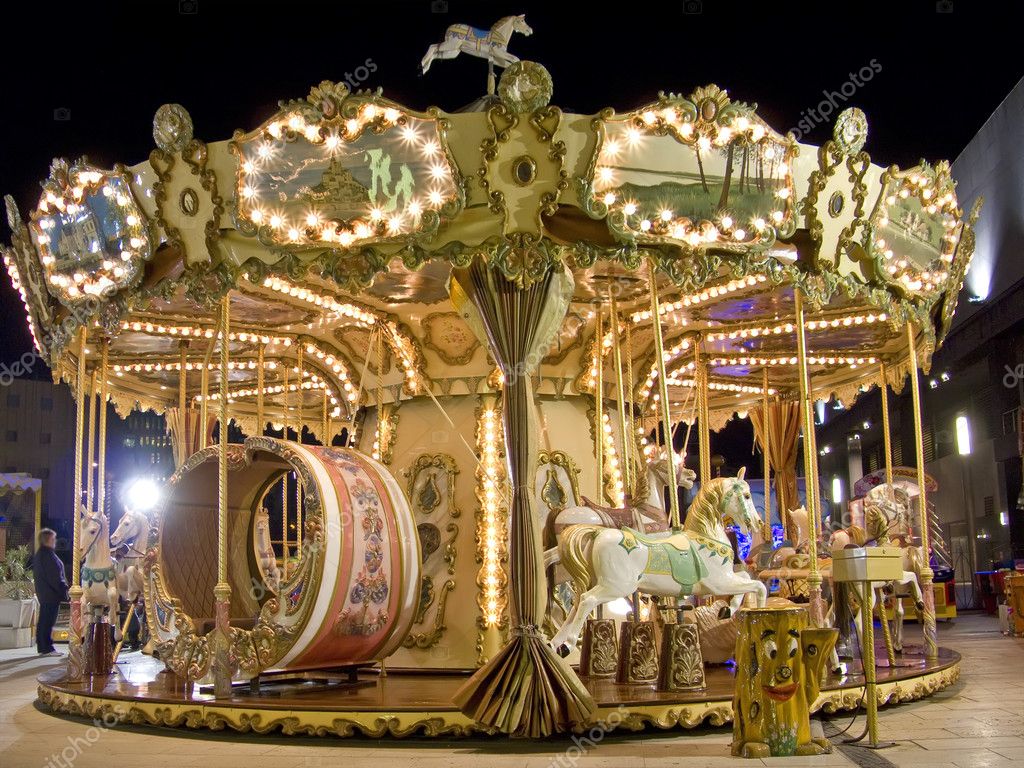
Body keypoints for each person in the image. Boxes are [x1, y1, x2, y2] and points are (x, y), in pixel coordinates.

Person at [31, 529, 67, 657]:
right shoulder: (46, 556)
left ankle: (43, 645)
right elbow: (54, 577)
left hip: (47, 593)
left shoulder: (43, 554)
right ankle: (46, 647)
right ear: (47, 540)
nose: (55, 542)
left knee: (45, 619)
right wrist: (64, 591)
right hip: (50, 594)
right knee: (47, 620)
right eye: (53, 539)